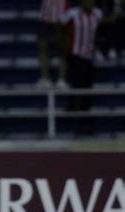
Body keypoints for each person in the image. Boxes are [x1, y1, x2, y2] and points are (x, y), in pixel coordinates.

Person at [61, 0, 102, 135]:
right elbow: (59, 25)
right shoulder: (72, 14)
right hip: (76, 56)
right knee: (79, 86)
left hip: (89, 57)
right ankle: (74, 108)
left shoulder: (97, 14)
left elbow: (109, 21)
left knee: (86, 90)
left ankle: (84, 121)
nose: (88, 3)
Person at [35, 0, 70, 89]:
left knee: (63, 50)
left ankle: (61, 79)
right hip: (45, 18)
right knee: (41, 47)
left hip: (61, 19)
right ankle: (45, 78)